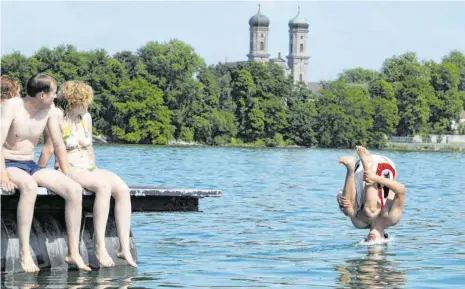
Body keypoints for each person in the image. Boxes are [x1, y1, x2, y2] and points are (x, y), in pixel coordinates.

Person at [38, 80, 137, 268]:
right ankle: (99, 246)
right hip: (69, 166)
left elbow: (90, 147)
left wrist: (95, 169)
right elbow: (53, 148)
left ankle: (123, 247)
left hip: (88, 166)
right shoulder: (57, 116)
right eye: (85, 101)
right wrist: (51, 173)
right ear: (74, 100)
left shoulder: (86, 118)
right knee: (103, 186)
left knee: (123, 189)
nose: (88, 104)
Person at [0, 73, 91, 272]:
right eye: (53, 92)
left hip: (30, 163)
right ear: (42, 95)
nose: (56, 96)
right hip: (8, 162)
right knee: (30, 187)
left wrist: (67, 174)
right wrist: (3, 176)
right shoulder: (13, 106)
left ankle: (72, 252)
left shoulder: (49, 110)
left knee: (74, 190)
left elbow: (57, 144)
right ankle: (24, 253)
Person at [337, 146, 406, 242]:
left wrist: (343, 203)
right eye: (375, 243)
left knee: (349, 211)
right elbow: (401, 190)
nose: (371, 240)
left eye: (368, 242)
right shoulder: (391, 219)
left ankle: (350, 167)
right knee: (370, 212)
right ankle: (369, 166)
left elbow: (341, 196)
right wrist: (375, 177)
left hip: (358, 168)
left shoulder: (359, 223)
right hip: (383, 166)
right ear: (384, 238)